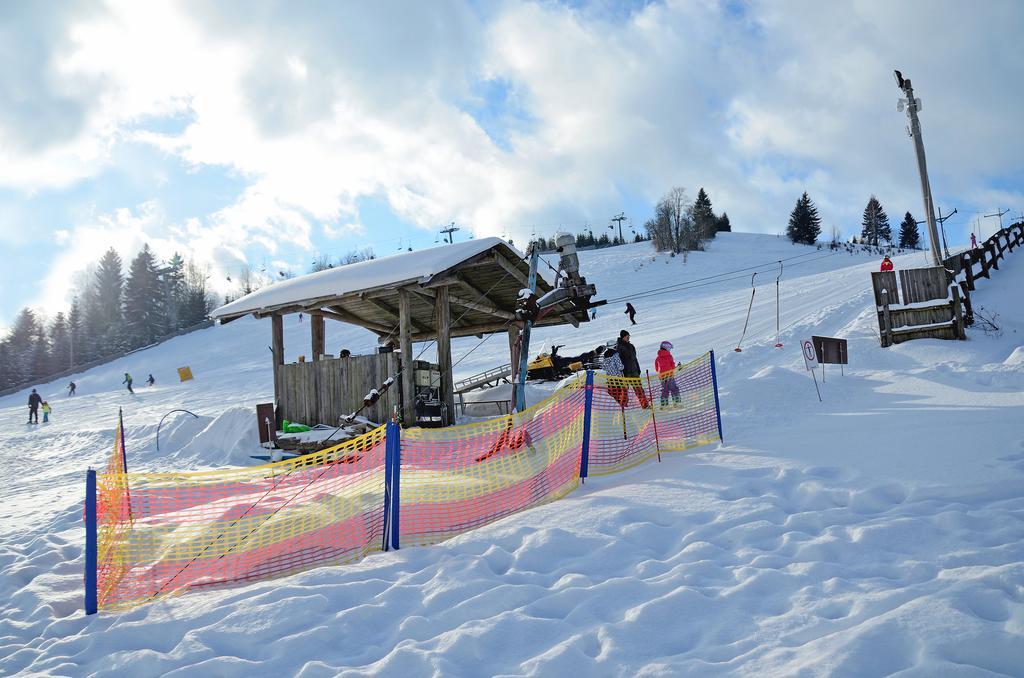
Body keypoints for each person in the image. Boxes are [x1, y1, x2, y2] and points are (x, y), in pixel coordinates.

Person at [615, 330, 649, 408]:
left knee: (639, 389)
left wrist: (638, 368)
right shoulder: (619, 347)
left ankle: (644, 404)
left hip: (634, 371)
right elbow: (618, 361)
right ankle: (622, 405)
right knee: (624, 390)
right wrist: (622, 372)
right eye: (627, 336)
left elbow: (634, 358)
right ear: (623, 337)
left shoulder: (631, 346)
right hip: (626, 373)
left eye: (629, 336)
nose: (628, 337)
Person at [654, 341, 681, 407]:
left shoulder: (657, 358)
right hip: (670, 376)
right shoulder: (669, 356)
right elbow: (672, 366)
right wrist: (677, 368)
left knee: (665, 390)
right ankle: (677, 402)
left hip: (662, 377)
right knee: (674, 388)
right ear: (666, 348)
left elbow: (656, 369)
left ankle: (664, 404)